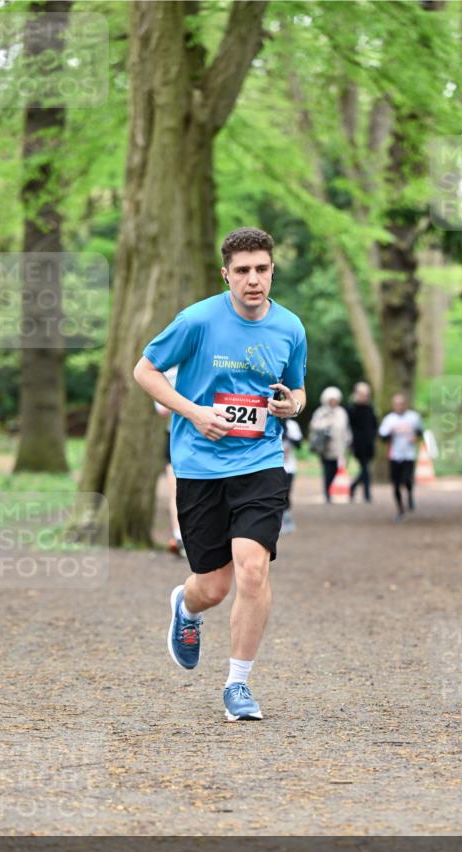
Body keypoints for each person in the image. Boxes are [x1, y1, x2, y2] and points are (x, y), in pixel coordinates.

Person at [133, 227, 307, 722]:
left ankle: (238, 684)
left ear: (272, 270)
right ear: (225, 274)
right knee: (213, 586)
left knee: (253, 568)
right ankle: (185, 609)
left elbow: (298, 391)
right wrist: (193, 412)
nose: (254, 280)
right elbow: (144, 371)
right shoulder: (197, 320)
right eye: (243, 271)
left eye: (262, 269)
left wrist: (289, 406)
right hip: (200, 466)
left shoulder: (290, 327)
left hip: (261, 463)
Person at [153, 366, 185, 556]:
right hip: (176, 437)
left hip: (202, 437)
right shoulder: (168, 369)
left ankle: (182, 535)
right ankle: (179, 535)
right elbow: (162, 409)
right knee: (176, 490)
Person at [379, 393, 424, 520]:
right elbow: (382, 436)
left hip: (409, 455)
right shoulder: (389, 419)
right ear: (393, 405)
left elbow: (420, 431)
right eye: (397, 404)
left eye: (402, 403)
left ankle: (409, 495)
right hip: (394, 455)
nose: (400, 406)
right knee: (396, 484)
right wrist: (390, 433)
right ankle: (400, 509)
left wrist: (415, 436)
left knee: (407, 479)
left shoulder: (413, 417)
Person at [308, 387, 352, 502]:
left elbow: (345, 429)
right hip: (324, 447)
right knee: (327, 470)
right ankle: (327, 492)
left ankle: (330, 489)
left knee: (335, 470)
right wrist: (326, 425)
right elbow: (314, 426)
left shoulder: (341, 412)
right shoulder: (321, 412)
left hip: (338, 447)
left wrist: (348, 441)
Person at [347, 381, 378, 502]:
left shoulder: (370, 408)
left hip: (369, 444)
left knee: (365, 468)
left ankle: (354, 486)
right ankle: (367, 494)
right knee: (365, 468)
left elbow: (374, 424)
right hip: (357, 444)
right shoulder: (351, 409)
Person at [281, 417, 302, 534]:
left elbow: (299, 444)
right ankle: (279, 520)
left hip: (289, 467)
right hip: (274, 466)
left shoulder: (293, 425)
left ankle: (287, 519)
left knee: (286, 493)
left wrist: (288, 435)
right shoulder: (270, 421)